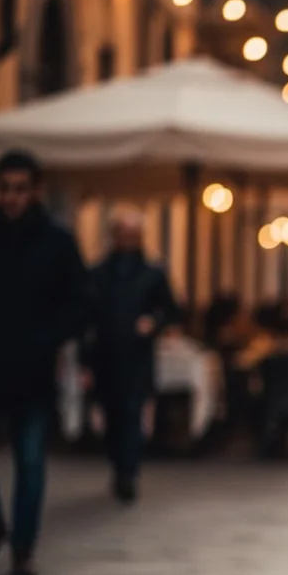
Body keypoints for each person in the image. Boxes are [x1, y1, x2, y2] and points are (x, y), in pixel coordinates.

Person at [0, 150, 91, 575]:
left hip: (34, 370)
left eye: (20, 189)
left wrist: (49, 337)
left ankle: (23, 547)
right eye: (5, 189)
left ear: (35, 191)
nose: (11, 197)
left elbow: (80, 302)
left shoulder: (57, 241)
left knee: (30, 462)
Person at [84, 205, 178, 503]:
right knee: (112, 415)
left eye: (134, 235)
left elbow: (170, 310)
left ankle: (128, 472)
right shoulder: (98, 274)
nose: (128, 240)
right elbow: (86, 318)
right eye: (124, 234)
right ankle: (119, 465)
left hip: (137, 356)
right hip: (106, 355)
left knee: (131, 412)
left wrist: (153, 323)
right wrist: (85, 360)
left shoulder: (152, 274)